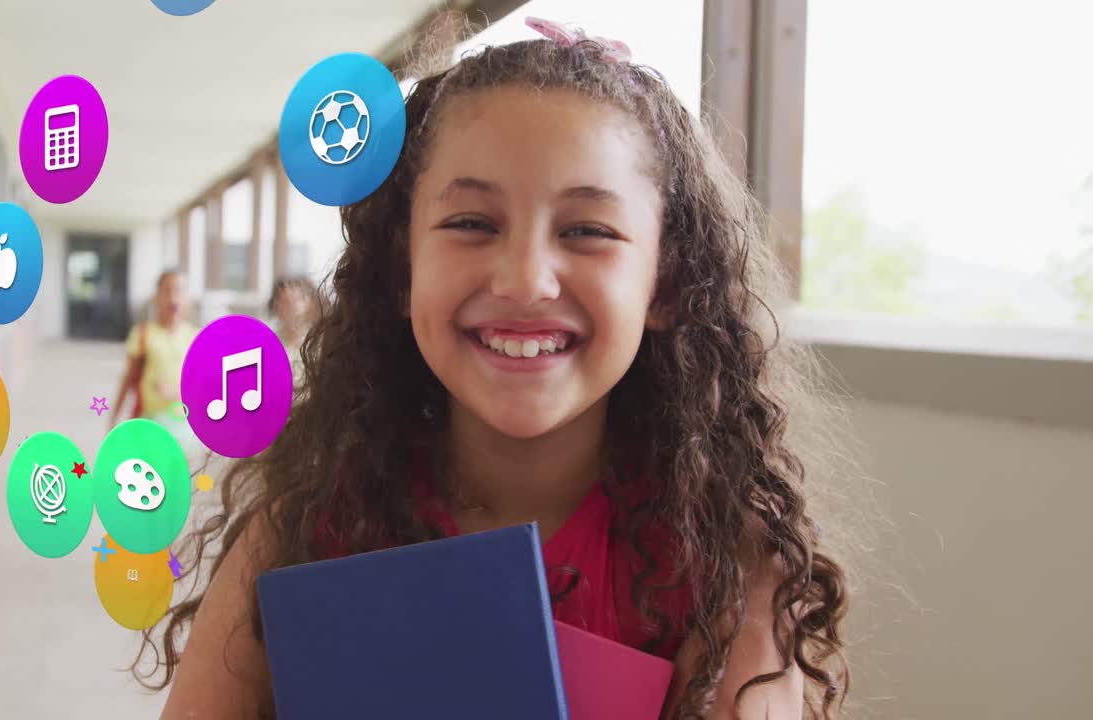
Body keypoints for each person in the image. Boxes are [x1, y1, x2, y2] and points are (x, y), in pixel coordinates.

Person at [146, 16, 864, 720]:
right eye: (472, 224)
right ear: (401, 268)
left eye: (587, 231)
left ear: (668, 284)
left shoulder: (725, 570)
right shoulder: (300, 530)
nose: (526, 280)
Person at [110, 269, 198, 431]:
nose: (173, 298)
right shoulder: (143, 334)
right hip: (149, 425)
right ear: (156, 297)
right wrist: (113, 419)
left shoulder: (195, 338)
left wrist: (177, 393)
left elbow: (206, 386)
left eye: (178, 291)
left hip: (187, 428)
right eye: (167, 291)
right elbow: (128, 379)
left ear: (187, 298)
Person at [268, 274, 321, 387]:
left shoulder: (323, 342)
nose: (293, 306)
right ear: (275, 307)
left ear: (311, 304)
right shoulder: (268, 343)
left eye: (298, 299)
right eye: (285, 302)